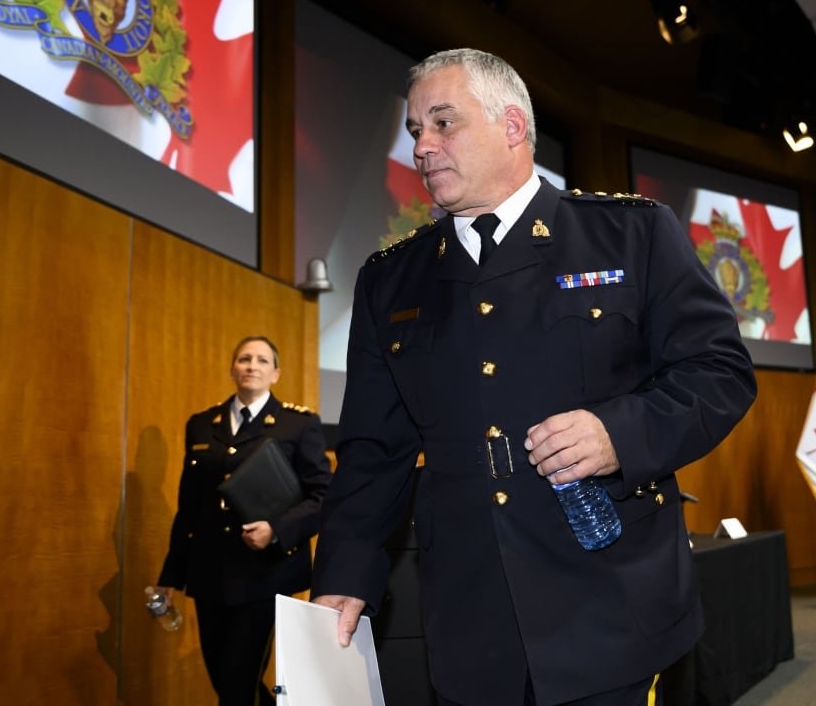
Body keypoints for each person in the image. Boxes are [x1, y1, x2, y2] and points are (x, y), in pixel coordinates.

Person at [310, 48, 757, 706]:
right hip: (469, 612)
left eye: (442, 123)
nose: (421, 147)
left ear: (512, 127)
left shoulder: (627, 235)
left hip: (611, 599)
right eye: (414, 131)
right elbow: (375, 447)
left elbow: (720, 372)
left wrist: (618, 434)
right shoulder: (391, 280)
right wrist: (345, 572)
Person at [157, 335, 332, 706]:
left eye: (262, 360)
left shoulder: (297, 424)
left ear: (275, 373)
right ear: (233, 368)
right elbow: (188, 506)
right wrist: (170, 577)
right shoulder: (202, 424)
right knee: (223, 677)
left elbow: (323, 496)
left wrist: (277, 531)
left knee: (237, 681)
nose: (252, 365)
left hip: (264, 573)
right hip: (209, 571)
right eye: (244, 359)